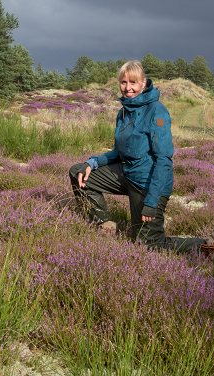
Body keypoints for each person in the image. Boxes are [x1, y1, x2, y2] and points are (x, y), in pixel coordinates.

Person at [69, 60, 204, 253]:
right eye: (124, 82)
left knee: (148, 245)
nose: (128, 88)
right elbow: (118, 152)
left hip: (148, 184)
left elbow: (164, 160)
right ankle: (103, 224)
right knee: (78, 172)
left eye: (133, 82)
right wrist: (92, 162)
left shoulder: (157, 111)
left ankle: (206, 244)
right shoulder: (123, 112)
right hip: (127, 173)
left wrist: (151, 202)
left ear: (143, 83)